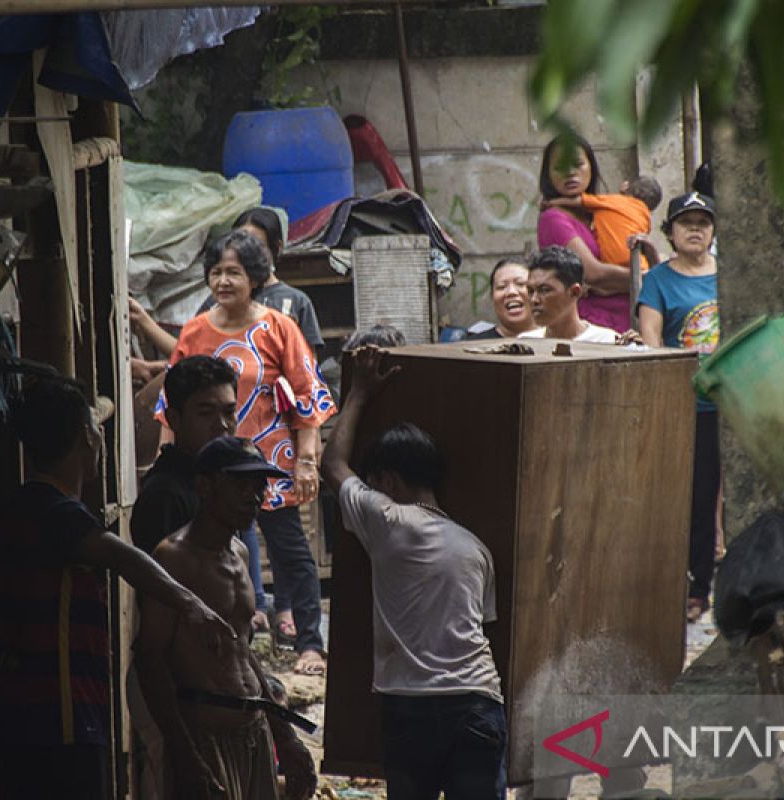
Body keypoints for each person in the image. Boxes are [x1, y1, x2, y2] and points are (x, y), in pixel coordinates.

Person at [0, 378, 234, 800]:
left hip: (30, 715)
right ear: (87, 437)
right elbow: (124, 558)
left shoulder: (28, 505)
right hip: (60, 718)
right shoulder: (54, 510)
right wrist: (191, 603)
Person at [321, 347, 507, 800]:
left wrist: (360, 393)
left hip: (410, 707)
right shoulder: (476, 548)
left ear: (385, 480)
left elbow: (331, 465)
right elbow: (482, 626)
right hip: (478, 701)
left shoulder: (385, 519)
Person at [164, 228, 336, 675]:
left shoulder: (280, 327)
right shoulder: (196, 331)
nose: (223, 281)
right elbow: (172, 403)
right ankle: (236, 642)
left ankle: (310, 644)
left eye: (234, 272)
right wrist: (169, 462)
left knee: (290, 551)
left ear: (255, 277)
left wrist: (306, 460)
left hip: (271, 463)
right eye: (216, 272)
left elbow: (307, 397)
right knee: (223, 552)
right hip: (214, 466)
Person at [135, 436, 318, 800]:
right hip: (205, 736)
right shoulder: (175, 558)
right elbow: (150, 659)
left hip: (252, 733)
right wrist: (185, 755)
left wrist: (284, 735)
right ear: (204, 486)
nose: (253, 496)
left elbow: (241, 649)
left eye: (259, 487)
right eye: (240, 485)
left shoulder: (237, 552)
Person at [132, 355, 270, 627]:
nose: (222, 425)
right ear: (174, 418)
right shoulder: (165, 495)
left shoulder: (224, 481)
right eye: (205, 413)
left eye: (229, 412)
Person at [636, 191, 721, 623]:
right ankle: (697, 587)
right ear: (670, 232)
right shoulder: (658, 281)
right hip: (691, 407)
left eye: (703, 222)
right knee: (698, 499)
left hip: (737, 400)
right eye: (685, 222)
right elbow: (651, 340)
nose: (695, 229)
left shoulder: (730, 275)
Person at [536, 134, 634, 333]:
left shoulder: (601, 210)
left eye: (578, 164)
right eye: (560, 167)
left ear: (591, 166)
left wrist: (616, 282)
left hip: (631, 320)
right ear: (548, 176)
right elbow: (593, 274)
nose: (570, 173)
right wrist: (647, 279)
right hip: (593, 324)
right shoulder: (553, 219)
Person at [198, 207, 326, 358]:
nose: (246, 253)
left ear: (276, 248)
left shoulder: (296, 302)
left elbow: (308, 364)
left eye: (256, 245)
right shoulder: (218, 302)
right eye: (240, 245)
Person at [542, 174, 663, 270]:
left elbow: (580, 201)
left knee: (602, 286)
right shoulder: (645, 217)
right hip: (639, 265)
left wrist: (553, 202)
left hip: (613, 262)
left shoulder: (613, 201)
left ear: (625, 186)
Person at [527, 246, 623, 343]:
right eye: (530, 291)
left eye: (545, 290)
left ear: (574, 292)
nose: (534, 299)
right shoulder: (526, 342)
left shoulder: (607, 341)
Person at [467, 258, 543, 340]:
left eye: (521, 284)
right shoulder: (472, 345)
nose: (511, 292)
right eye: (501, 287)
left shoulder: (556, 340)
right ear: (492, 296)